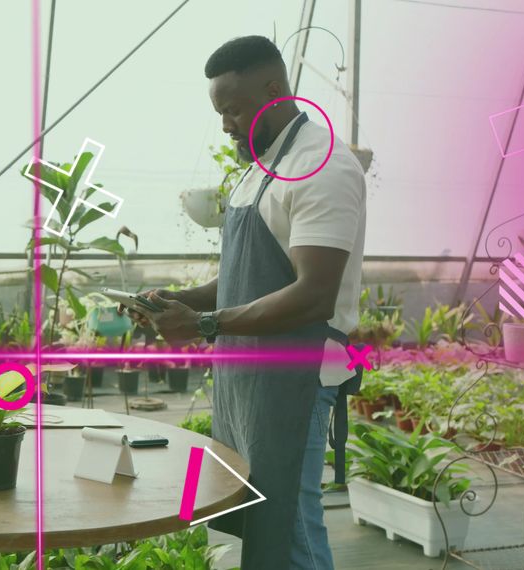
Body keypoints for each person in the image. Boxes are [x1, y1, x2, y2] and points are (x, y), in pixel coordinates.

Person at [129, 36, 366, 569]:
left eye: (233, 109)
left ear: (275, 91)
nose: (225, 124)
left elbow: (314, 293)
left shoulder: (322, 167)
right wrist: (177, 300)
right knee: (259, 515)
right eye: (219, 111)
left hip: (295, 378)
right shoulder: (260, 167)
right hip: (246, 376)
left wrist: (206, 322)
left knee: (292, 525)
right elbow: (242, 275)